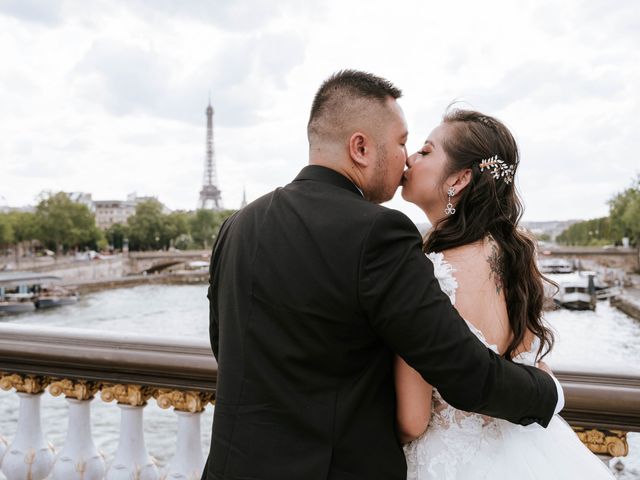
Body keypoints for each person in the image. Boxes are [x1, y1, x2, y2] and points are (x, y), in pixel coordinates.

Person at [202, 70, 563, 480]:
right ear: (360, 148)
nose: (406, 157)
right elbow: (461, 371)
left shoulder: (236, 226)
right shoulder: (379, 231)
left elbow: (225, 344)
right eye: (402, 142)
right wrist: (546, 392)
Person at [397, 108, 614, 479]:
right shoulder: (516, 257)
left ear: (460, 178)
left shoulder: (427, 273)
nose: (410, 158)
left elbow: (412, 421)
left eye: (426, 151)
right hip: (532, 452)